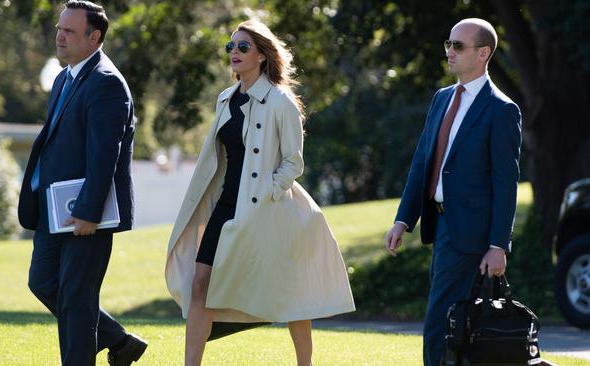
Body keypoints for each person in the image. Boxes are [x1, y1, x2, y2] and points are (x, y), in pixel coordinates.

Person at [165, 19, 355, 366]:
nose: (234, 53)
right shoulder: (225, 99)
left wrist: (269, 191)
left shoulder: (282, 101)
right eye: (230, 47)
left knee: (292, 290)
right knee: (200, 285)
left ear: (262, 56)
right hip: (226, 204)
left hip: (272, 209)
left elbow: (293, 163)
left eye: (243, 47)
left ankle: (305, 363)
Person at [384, 18, 522, 366]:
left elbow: (505, 182)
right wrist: (404, 219)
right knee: (453, 322)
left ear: (483, 53)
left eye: (458, 46)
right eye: (448, 44)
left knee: (438, 320)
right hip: (440, 225)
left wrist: (497, 245)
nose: (449, 51)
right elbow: (422, 163)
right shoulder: (442, 98)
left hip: (472, 233)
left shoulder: (502, 109)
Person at [17, 1, 146, 365]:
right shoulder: (63, 78)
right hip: (51, 211)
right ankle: (120, 342)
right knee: (43, 283)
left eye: (69, 31)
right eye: (59, 28)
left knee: (75, 298)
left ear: (94, 37)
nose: (59, 36)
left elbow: (104, 155)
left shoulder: (106, 83)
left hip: (85, 215)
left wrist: (89, 212)